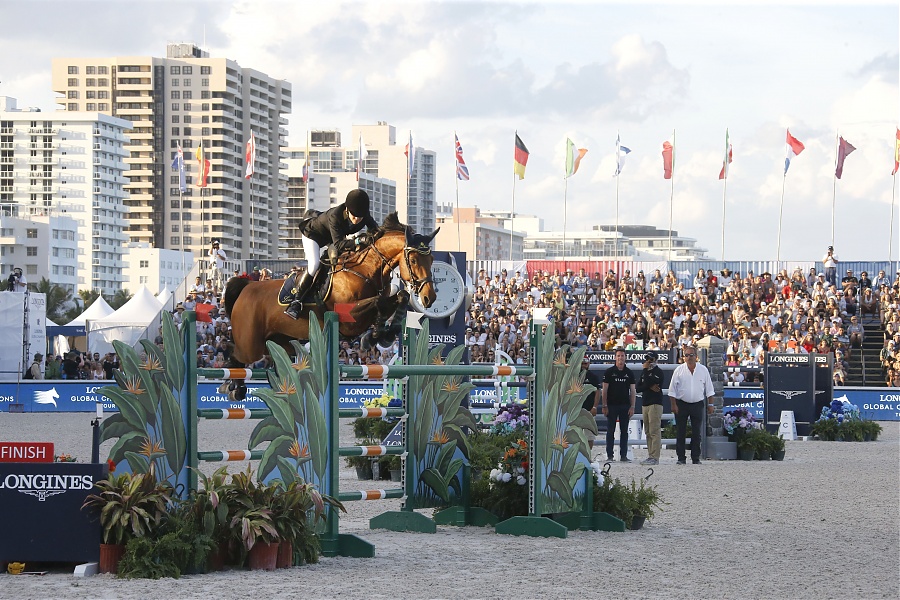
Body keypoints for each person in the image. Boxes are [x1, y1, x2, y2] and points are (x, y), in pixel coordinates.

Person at [285, 189, 379, 319]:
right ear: (347, 210)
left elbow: (376, 231)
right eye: (354, 216)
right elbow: (339, 244)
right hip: (313, 235)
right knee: (314, 264)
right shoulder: (336, 215)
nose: (357, 220)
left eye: (360, 217)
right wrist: (359, 240)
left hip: (331, 238)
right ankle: (296, 301)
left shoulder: (364, 214)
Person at [668, 348, 715, 465]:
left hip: (697, 404)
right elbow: (672, 390)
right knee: (680, 432)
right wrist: (673, 405)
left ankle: (695, 457)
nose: (689, 357)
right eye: (687, 355)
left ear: (696, 356)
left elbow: (709, 389)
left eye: (692, 355)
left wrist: (711, 404)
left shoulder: (703, 370)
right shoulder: (679, 370)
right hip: (682, 404)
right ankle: (681, 458)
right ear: (684, 357)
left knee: (696, 432)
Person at [598, 347, 636, 462]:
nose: (620, 358)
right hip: (611, 405)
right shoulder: (609, 372)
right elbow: (604, 390)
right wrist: (604, 405)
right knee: (610, 431)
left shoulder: (629, 373)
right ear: (615, 357)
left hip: (625, 406)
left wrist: (632, 406)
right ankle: (610, 455)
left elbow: (633, 391)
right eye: (618, 356)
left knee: (624, 432)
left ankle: (623, 455)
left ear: (625, 357)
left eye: (622, 356)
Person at [636, 350, 664, 465]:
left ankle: (655, 457)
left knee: (654, 431)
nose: (648, 361)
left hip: (655, 404)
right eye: (647, 359)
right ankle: (650, 455)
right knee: (647, 431)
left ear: (656, 360)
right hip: (645, 403)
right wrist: (649, 385)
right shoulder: (645, 373)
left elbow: (650, 383)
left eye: (651, 359)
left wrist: (646, 374)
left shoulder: (658, 372)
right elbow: (638, 387)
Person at [581, 355, 601, 449]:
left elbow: (597, 392)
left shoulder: (593, 377)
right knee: (575, 436)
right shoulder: (573, 376)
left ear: (589, 364)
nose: (583, 366)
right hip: (576, 410)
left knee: (589, 437)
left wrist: (594, 407)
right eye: (582, 364)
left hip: (589, 410)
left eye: (585, 364)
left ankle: (588, 455)